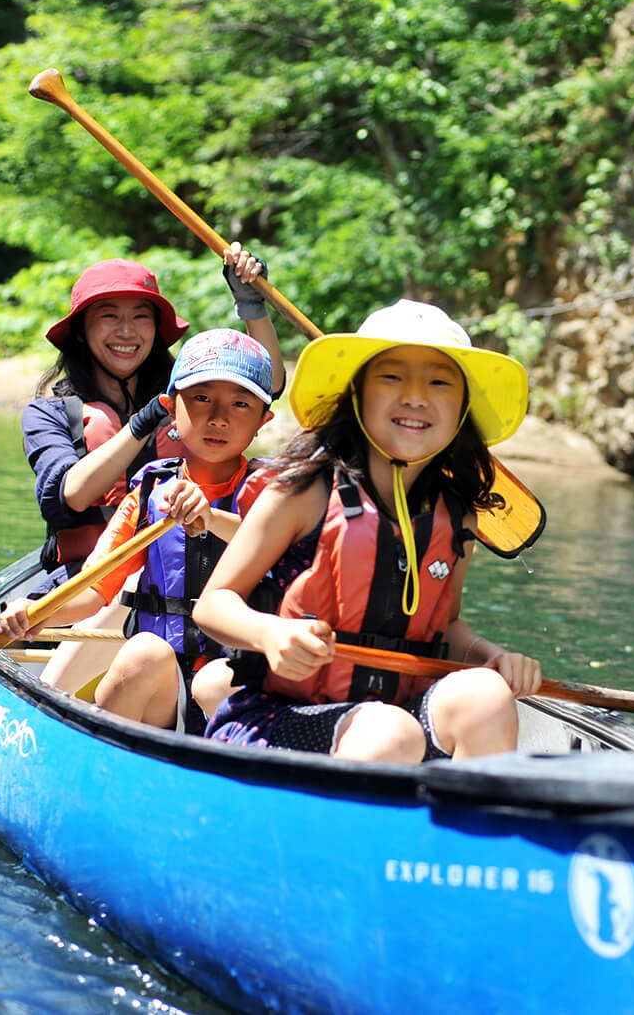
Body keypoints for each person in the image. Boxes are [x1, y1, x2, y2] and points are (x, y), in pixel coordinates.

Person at [192, 299, 543, 763]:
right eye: (392, 377)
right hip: (278, 716)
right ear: (356, 395)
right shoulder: (304, 490)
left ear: (462, 409)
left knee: (487, 695)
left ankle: (474, 829)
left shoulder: (456, 516)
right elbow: (214, 606)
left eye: (439, 382)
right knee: (391, 732)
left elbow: (448, 625)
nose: (416, 397)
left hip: (395, 716)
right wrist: (269, 634)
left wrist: (490, 655)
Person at [0, 328, 278, 733]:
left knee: (218, 682)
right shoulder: (149, 493)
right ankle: (108, 769)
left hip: (237, 684)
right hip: (168, 691)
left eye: (240, 403)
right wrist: (35, 615)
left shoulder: (274, 493)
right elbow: (94, 590)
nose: (218, 417)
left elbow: (276, 549)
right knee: (143, 651)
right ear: (170, 406)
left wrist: (211, 519)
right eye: (201, 398)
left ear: (263, 420)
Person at [21, 247, 284, 589]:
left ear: (156, 330)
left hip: (184, 566)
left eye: (140, 317)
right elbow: (73, 494)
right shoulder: (49, 414)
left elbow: (267, 386)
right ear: (82, 330)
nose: (127, 332)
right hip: (84, 577)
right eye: (109, 316)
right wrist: (142, 423)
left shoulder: (186, 401)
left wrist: (252, 306)